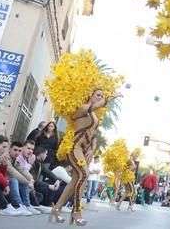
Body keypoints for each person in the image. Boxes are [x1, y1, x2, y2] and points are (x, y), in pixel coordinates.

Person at [50, 88, 123, 225]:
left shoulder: (94, 115)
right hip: (74, 148)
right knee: (84, 174)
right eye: (98, 95)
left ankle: (56, 208)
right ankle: (77, 211)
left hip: (84, 151)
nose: (100, 97)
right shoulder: (83, 108)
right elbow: (96, 105)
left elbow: (93, 134)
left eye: (102, 95)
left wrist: (92, 149)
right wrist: (112, 97)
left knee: (75, 181)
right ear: (90, 95)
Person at [5, 141, 38, 216]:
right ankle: (18, 205)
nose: (17, 152)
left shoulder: (15, 159)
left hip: (8, 183)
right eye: (15, 150)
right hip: (2, 183)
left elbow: (22, 170)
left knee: (21, 180)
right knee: (14, 179)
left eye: (19, 151)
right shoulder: (6, 158)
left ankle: (26, 205)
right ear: (10, 149)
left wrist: (31, 179)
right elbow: (13, 172)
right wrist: (27, 182)